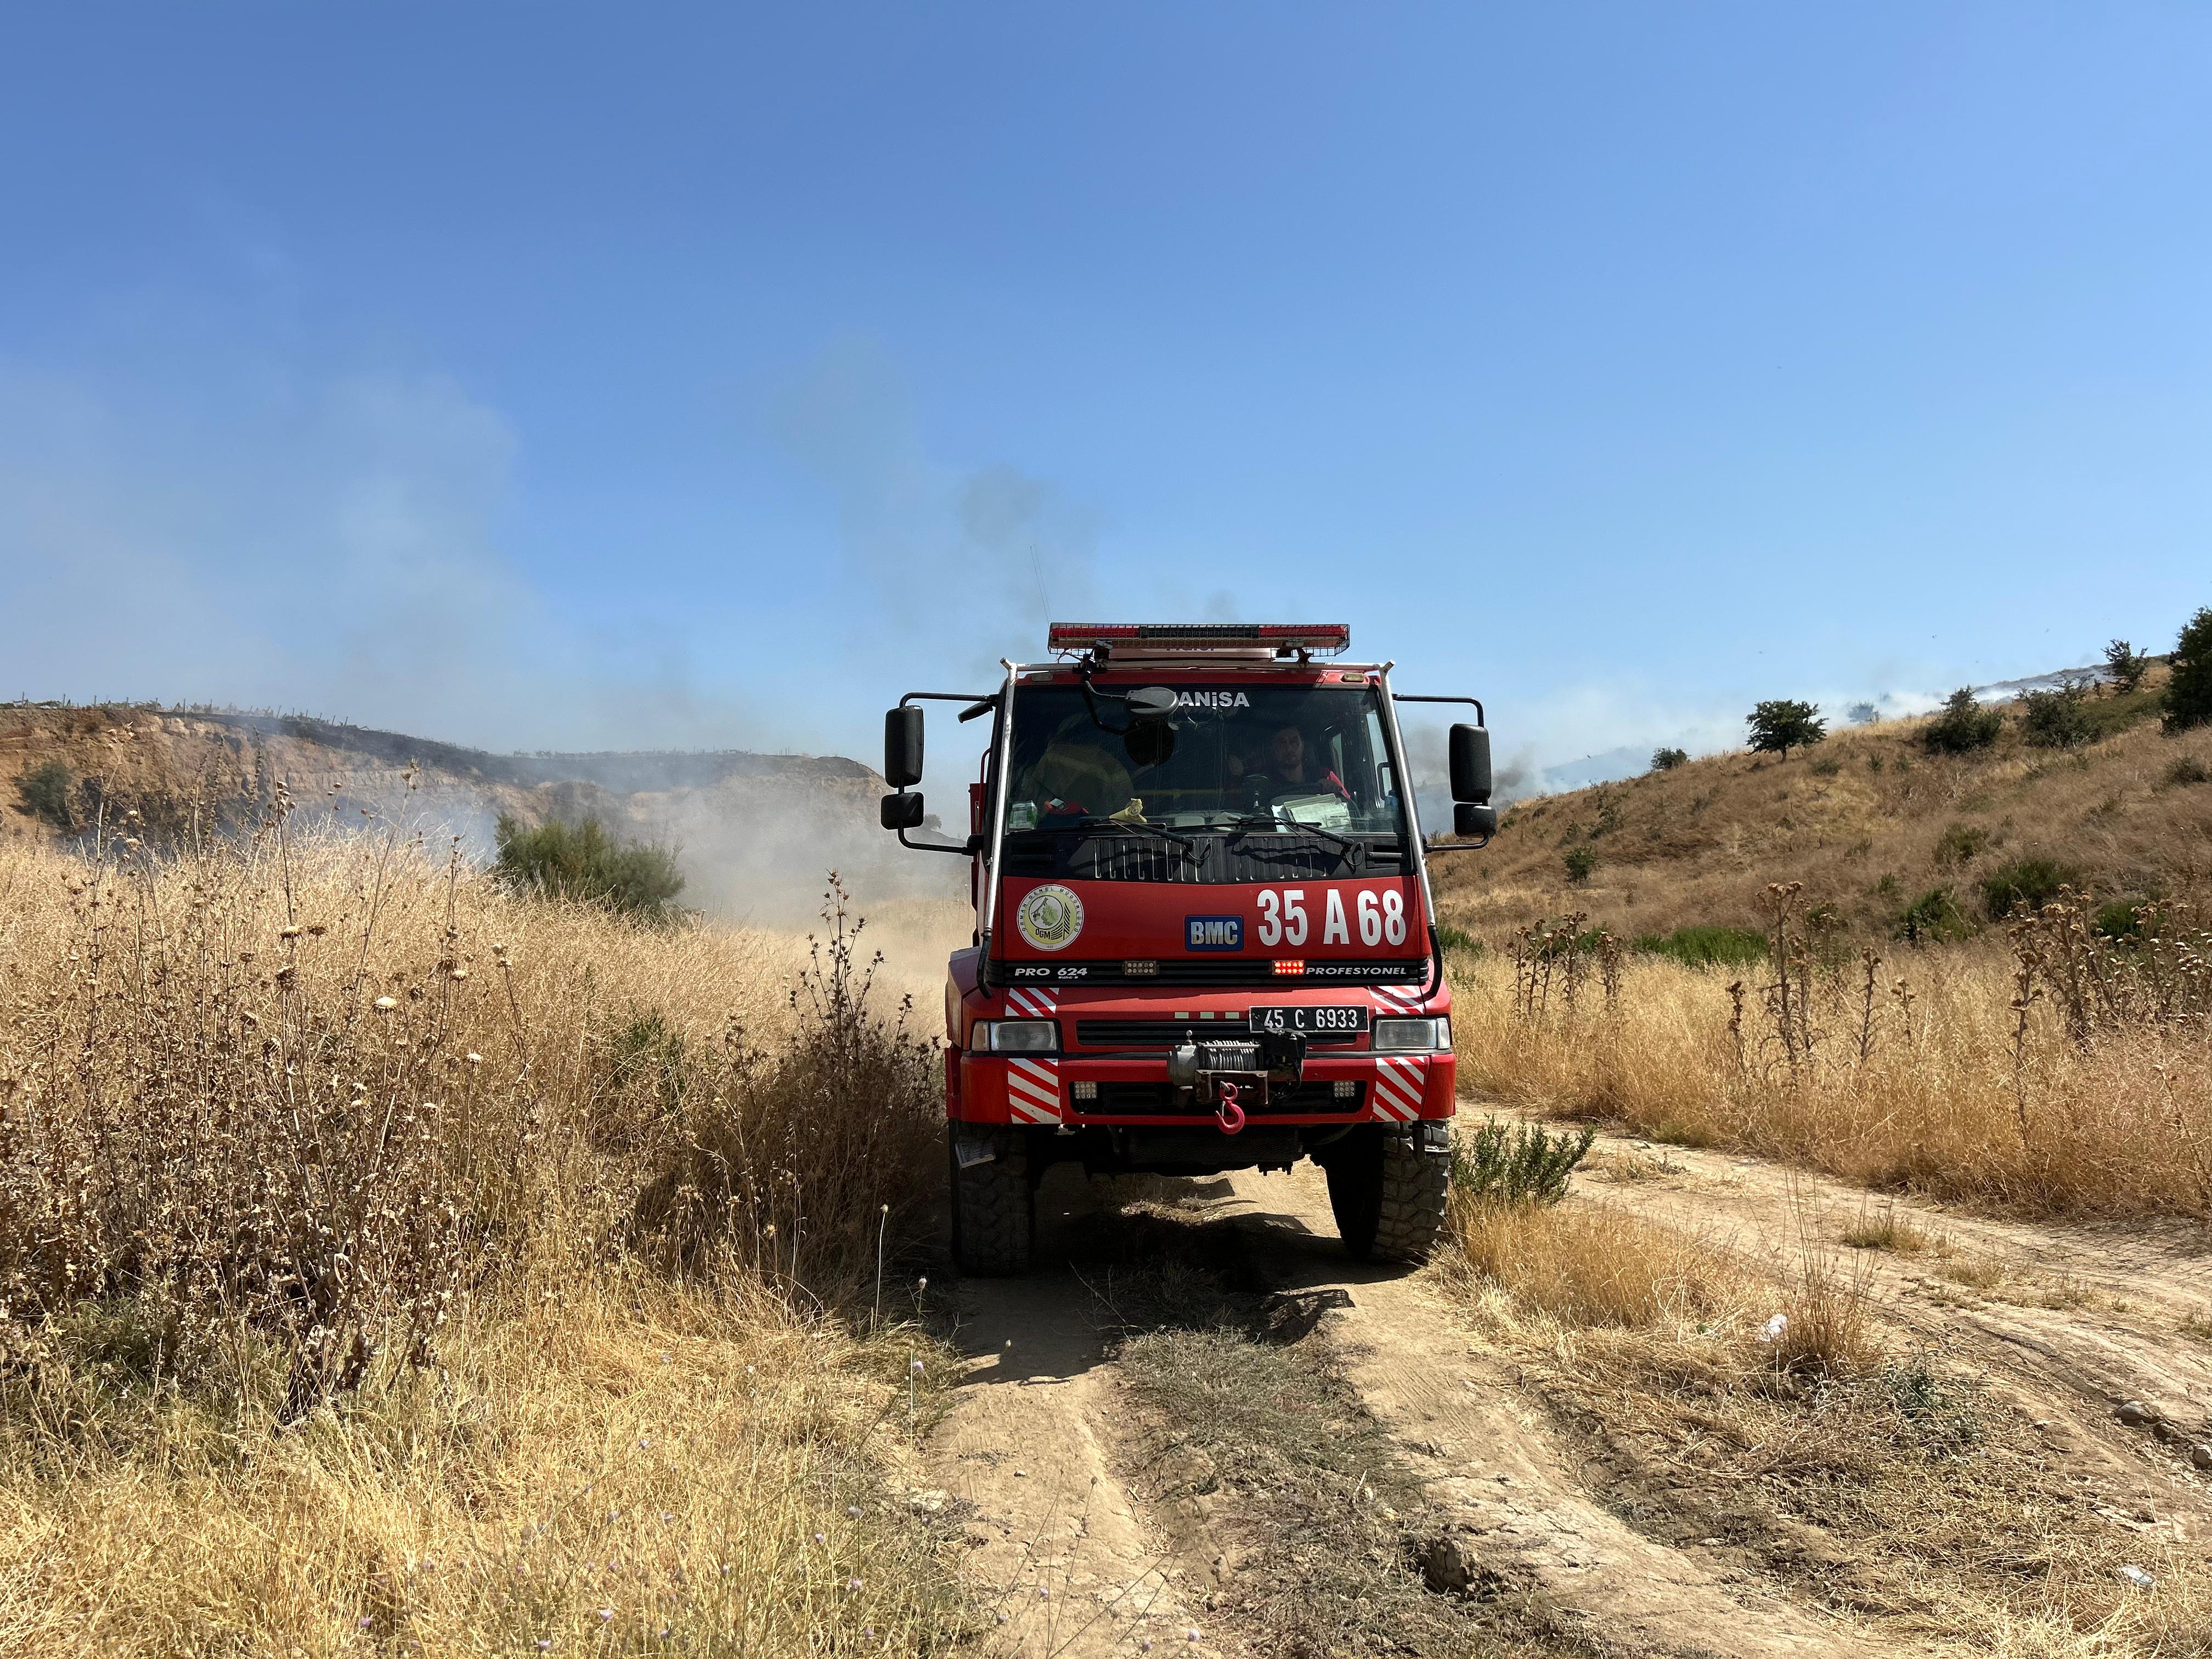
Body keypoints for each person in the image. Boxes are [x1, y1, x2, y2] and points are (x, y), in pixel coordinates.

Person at [1261, 725, 1349, 800]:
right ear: (1273, 749)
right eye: (1282, 744)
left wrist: (1334, 790)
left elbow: (1348, 804)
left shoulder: (1325, 775)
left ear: (1303, 745)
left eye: (1294, 742)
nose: (1289, 749)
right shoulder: (1265, 784)